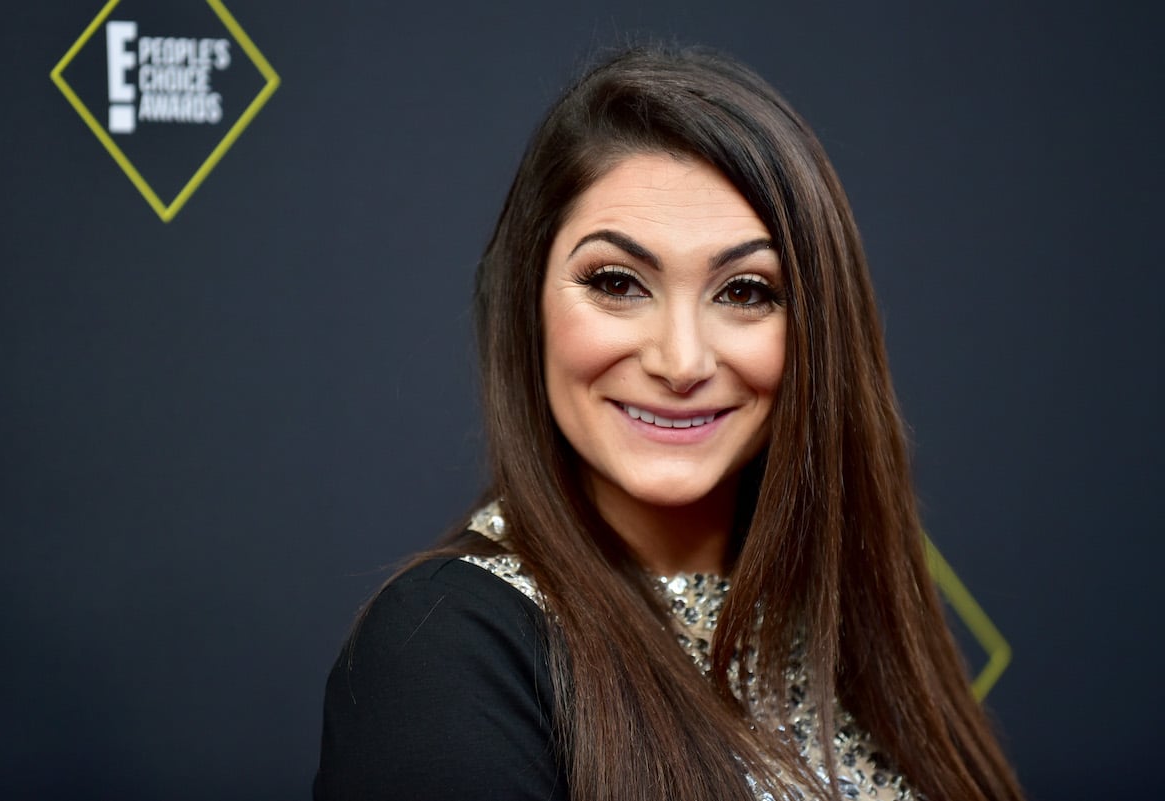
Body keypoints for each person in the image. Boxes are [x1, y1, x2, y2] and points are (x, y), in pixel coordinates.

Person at [313, 45, 1024, 801]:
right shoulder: (441, 652)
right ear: (529, 305)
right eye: (618, 283)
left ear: (818, 332)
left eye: (745, 291)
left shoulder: (858, 631)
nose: (681, 361)